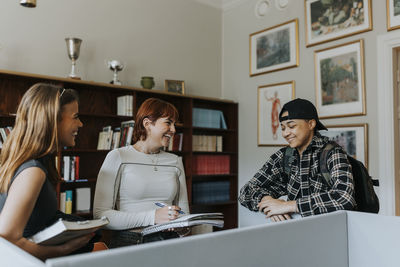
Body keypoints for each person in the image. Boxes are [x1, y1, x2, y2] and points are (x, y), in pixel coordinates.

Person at [0, 83, 93, 260]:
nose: (80, 124)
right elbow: (7, 239)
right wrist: (64, 249)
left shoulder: (26, 164)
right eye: (75, 117)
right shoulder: (33, 171)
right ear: (52, 119)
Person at [239, 98, 355, 222]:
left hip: (330, 231)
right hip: (294, 231)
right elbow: (246, 191)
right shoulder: (284, 155)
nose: (285, 133)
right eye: (283, 128)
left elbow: (345, 198)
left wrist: (287, 206)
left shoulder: (332, 152)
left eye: (291, 126)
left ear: (311, 124)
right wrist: (268, 203)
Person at [93, 97, 189, 248]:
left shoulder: (176, 161)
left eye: (174, 124)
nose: (174, 130)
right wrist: (153, 217)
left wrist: (182, 226)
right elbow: (101, 215)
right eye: (168, 123)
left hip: (170, 241)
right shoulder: (118, 157)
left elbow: (184, 213)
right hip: (131, 242)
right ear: (147, 124)